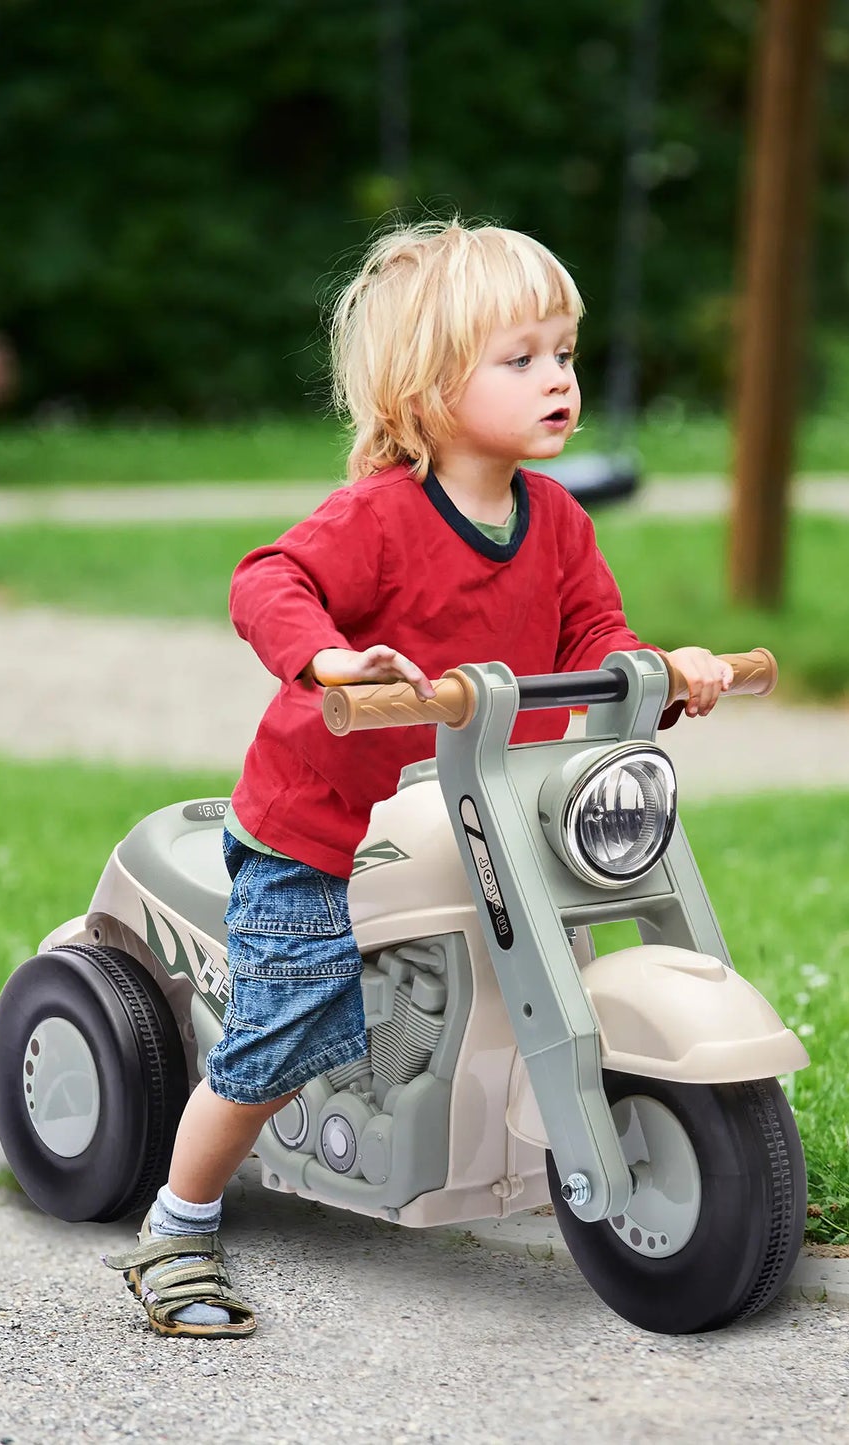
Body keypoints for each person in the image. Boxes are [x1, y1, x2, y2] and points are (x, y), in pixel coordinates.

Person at [104, 219, 733, 1336]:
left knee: (567, 941)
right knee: (281, 1030)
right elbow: (270, 577)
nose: (557, 380)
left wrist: (664, 672)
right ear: (430, 389)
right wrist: (330, 657)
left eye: (564, 354)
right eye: (520, 358)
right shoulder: (382, 518)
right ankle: (179, 1222)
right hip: (325, 827)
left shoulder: (556, 523)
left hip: (480, 813)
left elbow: (598, 643)